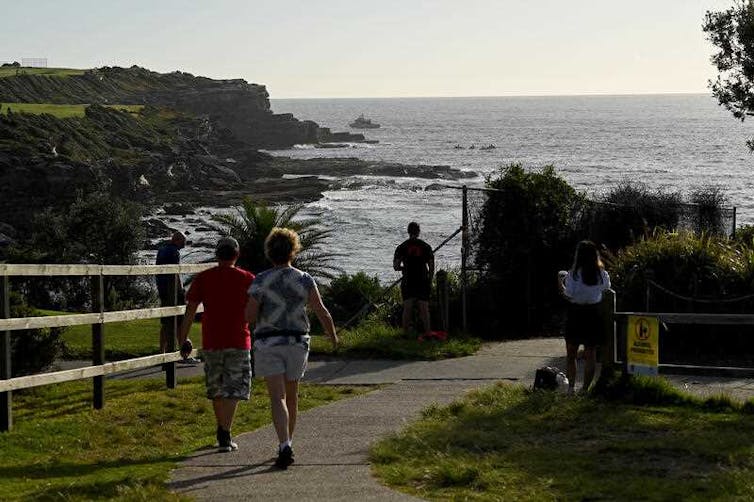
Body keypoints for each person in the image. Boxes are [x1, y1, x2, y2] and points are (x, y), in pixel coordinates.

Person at [245, 227, 338, 470]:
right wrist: (333, 335)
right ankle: (288, 442)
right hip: (297, 342)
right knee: (292, 395)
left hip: (268, 342)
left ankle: (284, 443)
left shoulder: (261, 280)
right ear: (293, 251)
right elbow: (320, 309)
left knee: (277, 397)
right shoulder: (305, 279)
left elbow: (250, 315)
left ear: (269, 252)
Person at [178, 237, 255, 452]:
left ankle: (222, 430)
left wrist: (182, 338)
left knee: (217, 388)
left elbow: (190, 311)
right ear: (236, 255)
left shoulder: (203, 278)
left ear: (217, 254)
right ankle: (225, 431)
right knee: (235, 388)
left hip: (212, 340)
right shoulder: (248, 278)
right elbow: (255, 310)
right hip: (239, 339)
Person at [558, 240, 611, 394]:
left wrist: (559, 283)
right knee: (590, 354)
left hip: (576, 314)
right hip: (593, 314)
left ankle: (571, 388)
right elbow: (606, 288)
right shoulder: (601, 274)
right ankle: (585, 389)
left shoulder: (573, 274)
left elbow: (568, 295)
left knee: (571, 354)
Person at [393, 221, 435, 336]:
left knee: (407, 308)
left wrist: (404, 268)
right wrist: (430, 280)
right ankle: (428, 333)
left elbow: (396, 266)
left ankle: (405, 334)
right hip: (422, 279)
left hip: (408, 280)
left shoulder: (402, 247)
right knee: (424, 308)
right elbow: (431, 266)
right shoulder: (426, 246)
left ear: (408, 232)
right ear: (418, 232)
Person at [156, 231, 189, 358]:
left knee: (166, 321)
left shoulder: (161, 250)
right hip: (173, 291)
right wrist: (181, 290)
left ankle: (161, 352)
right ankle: (183, 353)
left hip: (162, 288)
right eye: (184, 242)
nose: (185, 245)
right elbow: (176, 272)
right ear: (177, 240)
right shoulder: (175, 252)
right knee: (180, 321)